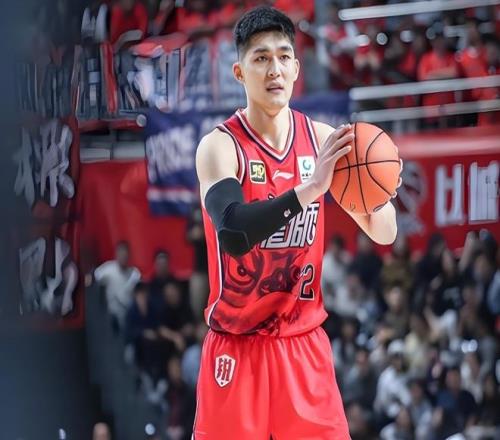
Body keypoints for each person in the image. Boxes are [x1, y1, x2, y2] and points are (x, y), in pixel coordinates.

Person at [193, 6, 400, 439]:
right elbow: (232, 232)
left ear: (297, 68)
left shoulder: (322, 140)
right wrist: (309, 189)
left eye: (284, 57)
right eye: (261, 58)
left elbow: (385, 233)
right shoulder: (220, 147)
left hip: (303, 345)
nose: (275, 69)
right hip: (236, 346)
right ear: (239, 72)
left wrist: (376, 188)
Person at [94, 240, 141, 332]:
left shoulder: (135, 273)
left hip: (129, 315)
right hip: (112, 316)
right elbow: (95, 279)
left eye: (125, 254)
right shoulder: (108, 269)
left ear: (129, 255)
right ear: (116, 254)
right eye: (121, 253)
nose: (123, 256)